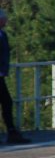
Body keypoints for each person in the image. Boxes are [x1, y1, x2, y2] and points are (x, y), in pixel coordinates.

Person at [0, 9, 30, 144]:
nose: (6, 21)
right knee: (6, 101)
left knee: (7, 102)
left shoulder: (3, 34)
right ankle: (11, 131)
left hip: (1, 74)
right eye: (4, 19)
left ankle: (12, 131)